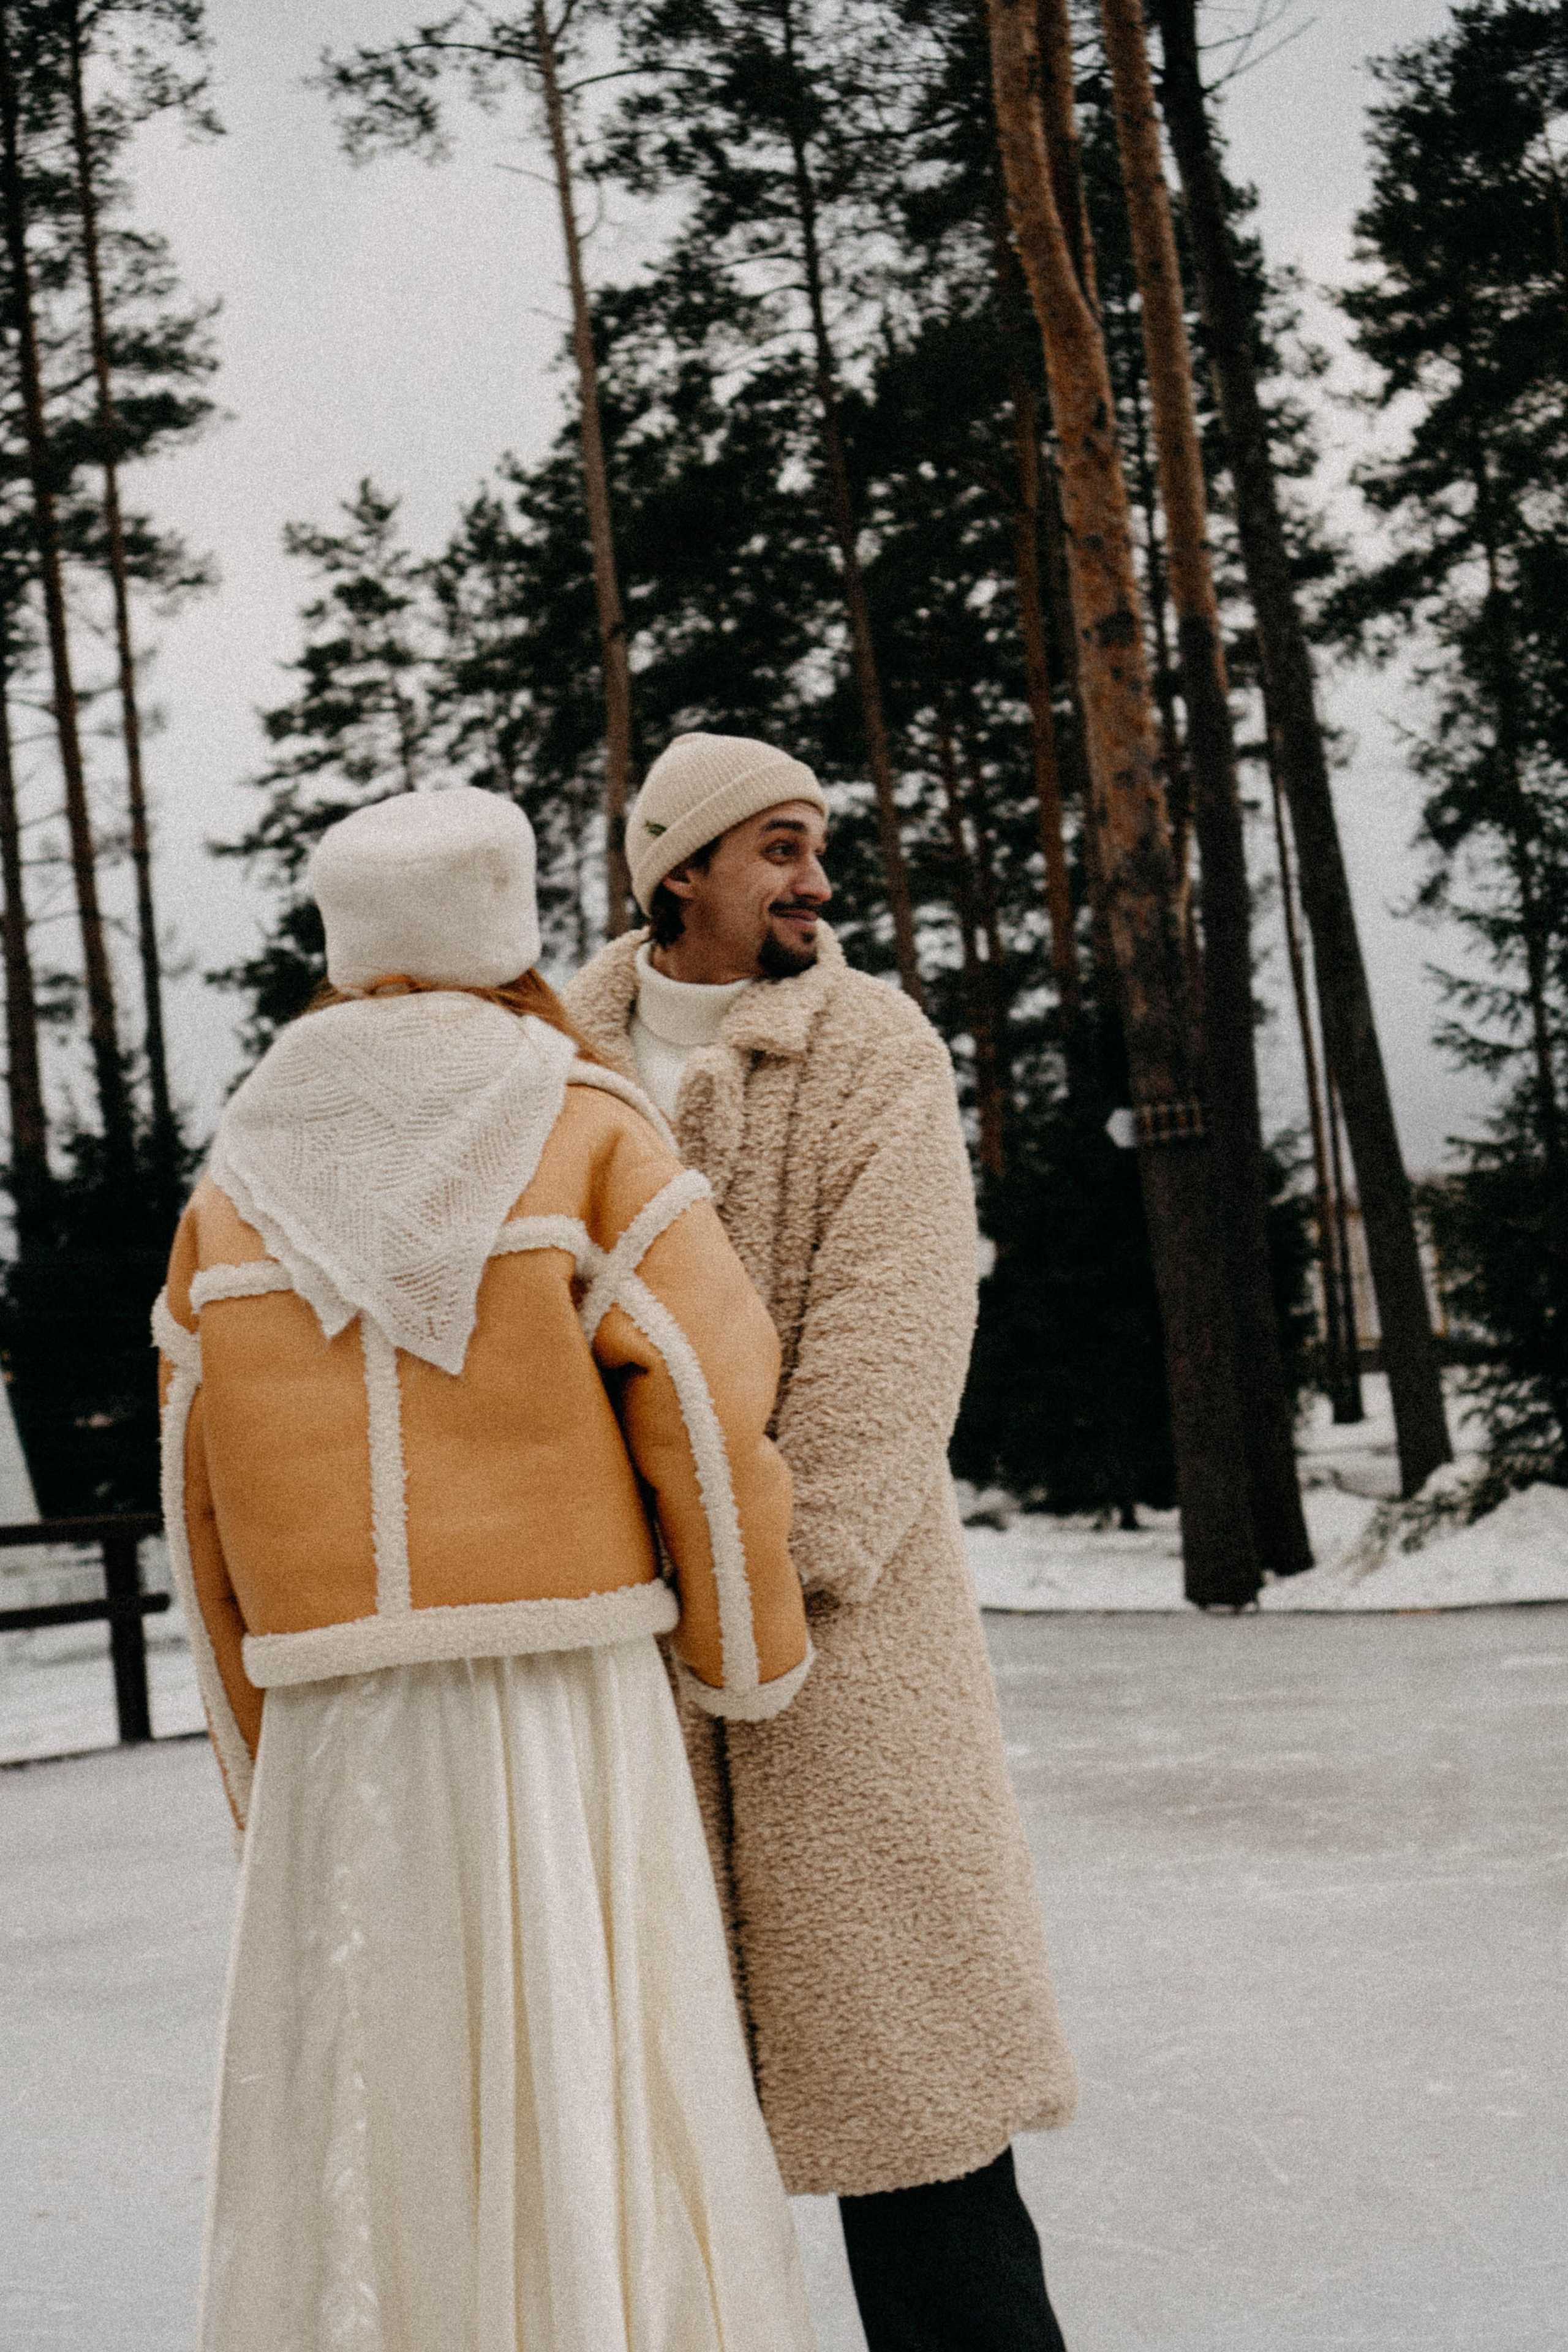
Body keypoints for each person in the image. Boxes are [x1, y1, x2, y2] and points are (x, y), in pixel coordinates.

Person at [154, 785, 818, 2352]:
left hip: (338, 1723)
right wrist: (744, 1656)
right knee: (587, 2058)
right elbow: (707, 1400)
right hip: (558, 1699)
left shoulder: (233, 1177)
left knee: (369, 2101)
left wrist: (260, 1758)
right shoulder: (583, 1125)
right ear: (507, 927)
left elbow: (198, 1500)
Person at [566, 731, 1080, 2352]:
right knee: (632, 2145)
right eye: (780, 847)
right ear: (682, 872)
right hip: (614, 1655)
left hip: (839, 1660)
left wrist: (773, 1577)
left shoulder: (870, 1046)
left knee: (919, 2126)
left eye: (816, 845)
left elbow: (894, 1340)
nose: (815, 879)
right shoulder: (553, 1058)